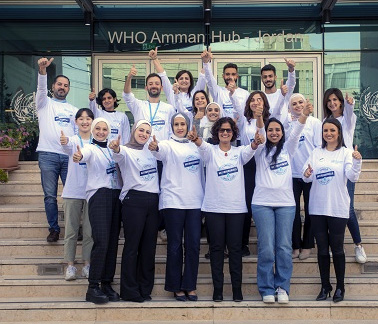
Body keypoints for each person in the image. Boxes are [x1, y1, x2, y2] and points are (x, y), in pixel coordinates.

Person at [187, 116, 264, 303]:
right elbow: (201, 146)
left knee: (235, 250)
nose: (225, 133)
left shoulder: (239, 152)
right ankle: (218, 290)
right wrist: (196, 138)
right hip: (214, 208)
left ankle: (237, 290)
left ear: (233, 133)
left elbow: (252, 148)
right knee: (216, 249)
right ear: (216, 133)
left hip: (236, 209)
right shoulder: (210, 151)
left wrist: (255, 141)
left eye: (228, 130)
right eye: (222, 130)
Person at [251, 103, 311, 304]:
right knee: (267, 247)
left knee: (284, 247)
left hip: (286, 204)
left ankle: (282, 287)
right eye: (270, 130)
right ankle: (267, 288)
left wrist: (304, 115)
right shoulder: (260, 150)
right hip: (262, 204)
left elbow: (296, 131)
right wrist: (259, 118)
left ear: (282, 133)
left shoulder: (288, 148)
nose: (274, 133)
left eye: (277, 130)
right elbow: (259, 130)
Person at [303, 118, 362, 303]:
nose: (328, 133)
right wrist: (306, 174)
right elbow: (307, 177)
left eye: (332, 130)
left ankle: (340, 288)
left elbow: (352, 176)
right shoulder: (316, 152)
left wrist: (357, 161)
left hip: (337, 207)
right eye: (325, 130)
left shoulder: (346, 153)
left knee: (337, 250)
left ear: (338, 133)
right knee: (321, 249)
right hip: (317, 208)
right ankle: (325, 286)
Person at [149, 113, 204, 302]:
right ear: (171, 126)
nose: (180, 127)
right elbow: (158, 151)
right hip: (173, 202)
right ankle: (174, 286)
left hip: (195, 202)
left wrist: (198, 140)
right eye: (176, 124)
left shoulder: (196, 145)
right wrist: (155, 147)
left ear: (188, 125)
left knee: (194, 246)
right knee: (174, 245)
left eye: (183, 124)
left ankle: (190, 285)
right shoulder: (167, 144)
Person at [73, 117, 122, 304]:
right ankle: (92, 286)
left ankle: (106, 283)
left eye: (104, 129)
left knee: (112, 242)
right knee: (101, 241)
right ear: (92, 130)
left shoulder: (112, 149)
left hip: (115, 195)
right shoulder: (90, 148)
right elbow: (82, 155)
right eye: (98, 128)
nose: (101, 132)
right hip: (99, 195)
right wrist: (78, 156)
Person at [109, 120, 159, 303]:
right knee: (132, 247)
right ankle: (129, 290)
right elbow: (118, 154)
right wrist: (115, 148)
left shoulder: (152, 151)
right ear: (133, 131)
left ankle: (145, 288)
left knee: (149, 248)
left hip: (153, 201)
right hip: (133, 200)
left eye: (147, 131)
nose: (144, 134)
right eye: (141, 130)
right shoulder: (125, 150)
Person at [36, 57, 78, 243]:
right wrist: (43, 70)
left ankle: (75, 228)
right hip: (47, 155)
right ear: (53, 86)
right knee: (50, 196)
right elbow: (41, 89)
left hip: (68, 157)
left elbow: (78, 134)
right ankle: (54, 229)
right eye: (59, 84)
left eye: (66, 85)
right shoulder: (44, 104)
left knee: (73, 196)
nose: (62, 87)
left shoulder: (74, 110)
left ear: (69, 89)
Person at [323, 88, 367, 264]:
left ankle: (358, 245)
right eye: (329, 101)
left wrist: (351, 105)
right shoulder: (325, 121)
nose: (332, 103)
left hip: (347, 166)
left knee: (347, 208)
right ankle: (335, 245)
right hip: (330, 167)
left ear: (340, 101)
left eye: (335, 100)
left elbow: (349, 115)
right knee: (332, 207)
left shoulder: (349, 120)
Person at [230, 90, 271, 257]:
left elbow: (266, 138)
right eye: (252, 100)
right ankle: (243, 243)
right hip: (247, 162)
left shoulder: (270, 120)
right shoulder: (245, 121)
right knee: (246, 203)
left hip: (264, 163)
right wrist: (232, 92)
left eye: (259, 99)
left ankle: (266, 244)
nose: (255, 102)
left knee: (263, 203)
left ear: (264, 102)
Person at [60, 108, 94, 281]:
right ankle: (70, 266)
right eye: (81, 118)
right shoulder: (73, 140)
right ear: (76, 122)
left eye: (88, 118)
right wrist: (64, 141)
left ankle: (87, 264)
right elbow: (66, 146)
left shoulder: (97, 141)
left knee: (89, 232)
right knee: (71, 231)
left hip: (92, 192)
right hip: (73, 191)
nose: (85, 121)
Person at [287, 94, 322, 260]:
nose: (298, 105)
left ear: (306, 103)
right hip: (292, 174)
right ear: (290, 107)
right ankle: (295, 245)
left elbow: (318, 148)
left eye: (300, 102)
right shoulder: (288, 124)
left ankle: (307, 244)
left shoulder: (314, 123)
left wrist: (312, 168)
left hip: (310, 173)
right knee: (292, 212)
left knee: (310, 209)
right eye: (294, 103)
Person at [148, 47, 206, 112]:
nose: (184, 81)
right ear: (176, 81)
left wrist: (206, 62)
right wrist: (155, 59)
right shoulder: (171, 93)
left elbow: (202, 77)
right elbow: (162, 75)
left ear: (190, 82)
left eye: (186, 78)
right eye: (181, 79)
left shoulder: (195, 93)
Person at [201, 48, 249, 119]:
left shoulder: (245, 94)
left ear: (237, 76)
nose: (230, 77)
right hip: (222, 128)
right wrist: (206, 63)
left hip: (240, 129)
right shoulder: (218, 92)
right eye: (227, 74)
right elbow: (210, 80)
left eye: (233, 74)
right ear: (223, 76)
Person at [261, 58, 296, 123]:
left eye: (270, 76)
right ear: (261, 79)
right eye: (265, 77)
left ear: (275, 77)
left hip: (285, 132)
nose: (268, 79)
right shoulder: (260, 97)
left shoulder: (283, 92)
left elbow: (291, 83)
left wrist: (291, 69)